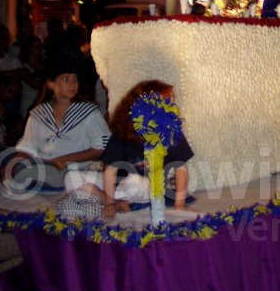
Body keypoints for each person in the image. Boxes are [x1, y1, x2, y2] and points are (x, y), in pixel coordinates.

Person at [0, 53, 110, 193]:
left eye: (75, 79)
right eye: (66, 79)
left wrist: (66, 159)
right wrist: (11, 165)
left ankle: (12, 181)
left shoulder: (89, 112)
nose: (72, 84)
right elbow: (28, 147)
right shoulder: (39, 113)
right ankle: (13, 178)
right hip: (42, 164)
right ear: (51, 84)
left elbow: (100, 147)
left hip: (72, 169)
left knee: (29, 172)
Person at [64, 79, 195, 218]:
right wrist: (109, 202)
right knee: (71, 177)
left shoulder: (171, 133)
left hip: (147, 187)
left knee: (136, 182)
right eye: (161, 104)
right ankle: (112, 201)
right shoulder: (122, 134)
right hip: (117, 186)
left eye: (169, 103)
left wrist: (179, 204)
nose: (167, 109)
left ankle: (114, 200)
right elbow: (110, 170)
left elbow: (181, 169)